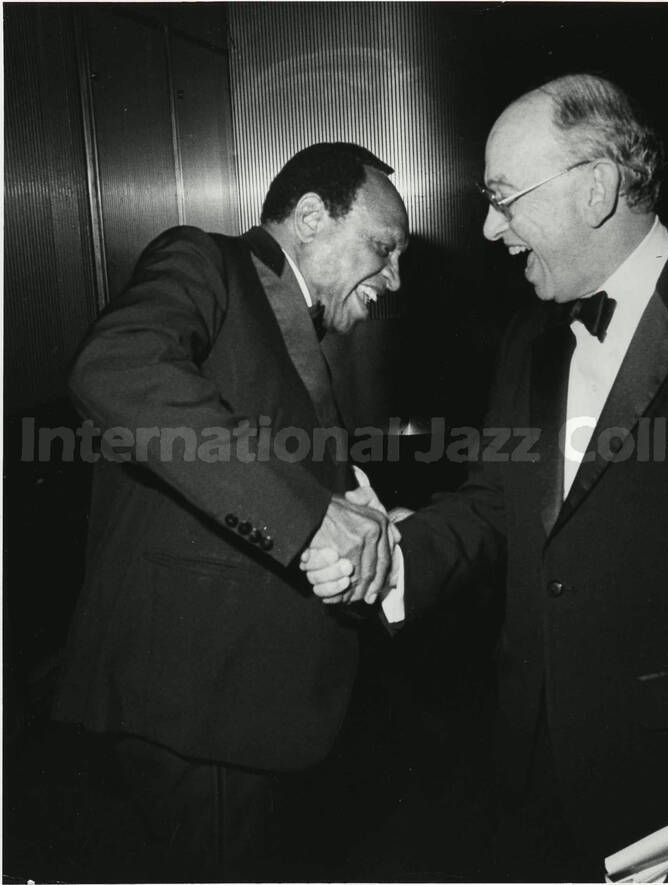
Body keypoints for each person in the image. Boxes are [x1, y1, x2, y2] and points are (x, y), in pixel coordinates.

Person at [303, 76, 668, 879]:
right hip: (531, 768)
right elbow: (498, 505)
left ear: (596, 187)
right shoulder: (529, 337)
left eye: (504, 197)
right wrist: (391, 553)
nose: (490, 228)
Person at [52, 142, 408, 878]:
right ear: (310, 217)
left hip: (252, 708)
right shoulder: (203, 258)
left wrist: (358, 514)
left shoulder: (296, 322)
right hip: (198, 704)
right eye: (384, 248)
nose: (395, 279)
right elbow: (116, 366)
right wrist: (313, 513)